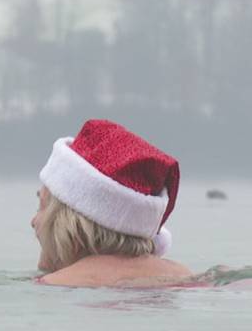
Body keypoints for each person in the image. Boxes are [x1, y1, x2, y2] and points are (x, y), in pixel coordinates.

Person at [31, 120, 193, 288]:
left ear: (70, 220)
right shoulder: (184, 275)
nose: (33, 221)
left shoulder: (57, 283)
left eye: (41, 206)